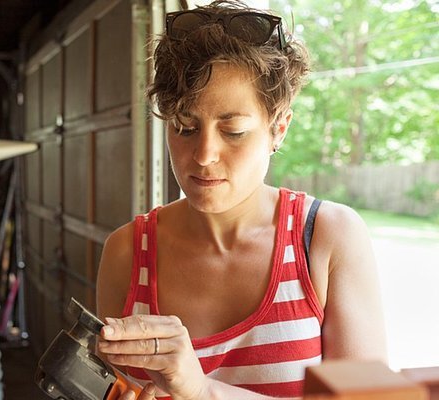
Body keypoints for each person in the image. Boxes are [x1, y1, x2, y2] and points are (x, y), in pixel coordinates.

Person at [96, 1, 387, 399]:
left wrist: (202, 391)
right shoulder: (127, 253)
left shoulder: (326, 238)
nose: (203, 154)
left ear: (278, 129)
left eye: (233, 131)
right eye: (184, 127)